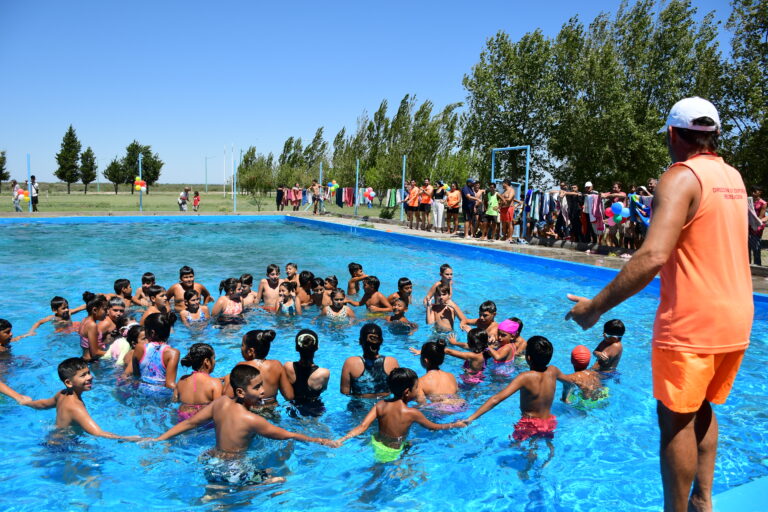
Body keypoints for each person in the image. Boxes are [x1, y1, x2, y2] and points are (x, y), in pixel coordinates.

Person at [566, 97, 753, 512]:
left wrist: (596, 306)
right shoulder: (733, 177)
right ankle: (703, 502)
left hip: (692, 321)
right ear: (714, 134)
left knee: (674, 420)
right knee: (700, 406)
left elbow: (652, 256)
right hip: (737, 317)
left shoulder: (680, 177)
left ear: (672, 134)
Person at [154, 365, 335, 486]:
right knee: (279, 480)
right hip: (233, 470)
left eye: (262, 385)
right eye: (257, 388)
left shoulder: (220, 403)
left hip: (210, 462)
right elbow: (287, 435)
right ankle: (246, 490)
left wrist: (159, 439)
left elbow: (190, 422)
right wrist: (319, 439)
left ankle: (214, 495)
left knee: (218, 490)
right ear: (240, 392)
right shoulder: (252, 420)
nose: (263, 391)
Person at [335, 368, 464, 462]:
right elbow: (434, 427)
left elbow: (362, 426)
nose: (418, 391)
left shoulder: (380, 405)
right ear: (407, 392)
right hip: (393, 451)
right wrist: (454, 424)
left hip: (376, 443)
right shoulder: (412, 413)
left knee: (407, 446)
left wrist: (341, 440)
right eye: (416, 388)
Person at [464, 336, 560, 445]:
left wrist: (471, 418)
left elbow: (496, 399)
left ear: (528, 358)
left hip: (529, 423)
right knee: (547, 447)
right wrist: (565, 395)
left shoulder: (525, 377)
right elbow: (568, 381)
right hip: (548, 422)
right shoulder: (553, 371)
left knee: (515, 446)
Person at [25, 357, 143, 440]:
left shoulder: (62, 394)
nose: (90, 377)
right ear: (69, 382)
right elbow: (98, 433)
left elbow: (43, 405)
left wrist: (28, 403)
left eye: (88, 372)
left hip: (54, 439)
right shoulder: (76, 408)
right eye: (83, 375)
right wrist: (126, 438)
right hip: (64, 446)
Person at [224, 329, 291, 408]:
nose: (241, 348)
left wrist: (228, 377)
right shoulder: (277, 365)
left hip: (250, 411)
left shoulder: (241, 366)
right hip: (271, 410)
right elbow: (289, 396)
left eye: (242, 345)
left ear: (250, 351)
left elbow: (228, 396)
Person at [340, 323, 399, 398]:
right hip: (384, 407)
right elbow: (398, 391)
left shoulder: (351, 363)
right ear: (381, 341)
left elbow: (345, 393)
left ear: (360, 341)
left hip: (360, 407)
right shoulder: (392, 362)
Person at [408, 340, 466, 413]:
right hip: (460, 406)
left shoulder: (420, 382)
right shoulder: (451, 376)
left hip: (441, 412)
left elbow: (422, 404)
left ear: (425, 361)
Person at [282, 329, 330, 414]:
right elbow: (323, 390)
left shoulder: (287, 366)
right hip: (315, 409)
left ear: (296, 348)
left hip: (293, 409)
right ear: (317, 347)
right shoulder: (324, 373)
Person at [128, 312, 180, 391]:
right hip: (160, 395)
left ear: (152, 332)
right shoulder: (173, 353)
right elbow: (169, 384)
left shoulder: (139, 347)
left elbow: (136, 376)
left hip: (142, 391)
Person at [174, 343, 222, 422]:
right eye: (214, 358)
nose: (214, 361)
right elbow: (219, 410)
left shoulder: (181, 380)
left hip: (183, 419)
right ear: (206, 361)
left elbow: (174, 401)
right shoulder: (215, 383)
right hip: (204, 421)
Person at [21, 296, 86, 337]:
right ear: (54, 310)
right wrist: (31, 331)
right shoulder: (52, 318)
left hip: (72, 329)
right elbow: (38, 322)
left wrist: (92, 302)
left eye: (67, 307)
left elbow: (81, 308)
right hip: (60, 332)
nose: (66, 309)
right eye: (63, 308)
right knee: (50, 337)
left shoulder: (69, 313)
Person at [78, 292, 108, 361]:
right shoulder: (92, 325)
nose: (107, 312)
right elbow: (95, 353)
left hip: (84, 358)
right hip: (92, 361)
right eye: (105, 310)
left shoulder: (84, 320)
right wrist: (114, 353)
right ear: (94, 310)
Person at [748, 186, 766, 266]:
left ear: (760, 192)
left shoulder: (763, 203)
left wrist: (753, 223)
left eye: (755, 191)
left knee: (756, 247)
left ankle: (757, 266)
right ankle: (748, 265)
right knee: (747, 247)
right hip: (748, 226)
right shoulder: (749, 201)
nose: (753, 193)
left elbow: (760, 217)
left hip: (756, 227)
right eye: (752, 191)